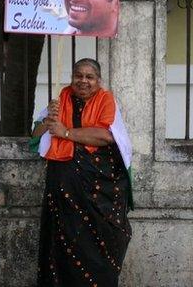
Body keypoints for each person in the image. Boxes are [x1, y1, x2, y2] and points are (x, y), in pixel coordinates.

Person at [31, 58, 133, 286]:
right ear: (72, 78)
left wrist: (66, 132)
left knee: (102, 242)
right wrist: (49, 120)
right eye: (79, 75)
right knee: (62, 242)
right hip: (63, 190)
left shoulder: (106, 100)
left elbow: (106, 136)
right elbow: (36, 136)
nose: (83, 81)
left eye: (89, 77)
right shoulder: (60, 99)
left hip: (100, 188)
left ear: (98, 80)